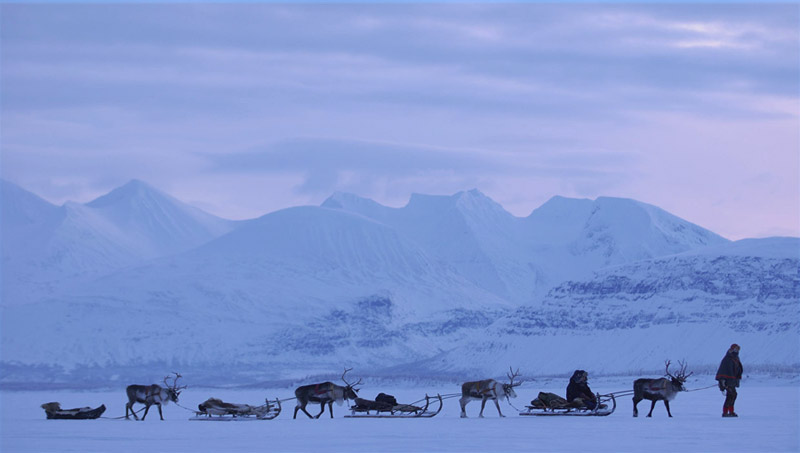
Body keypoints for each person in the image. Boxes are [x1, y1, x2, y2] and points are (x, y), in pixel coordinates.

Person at [716, 344, 743, 417]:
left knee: (733, 395)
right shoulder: (727, 359)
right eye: (735, 349)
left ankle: (731, 411)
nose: (737, 351)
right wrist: (722, 381)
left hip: (732, 381)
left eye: (738, 349)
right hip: (727, 381)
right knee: (730, 395)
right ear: (732, 349)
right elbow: (723, 370)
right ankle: (725, 412)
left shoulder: (736, 358)